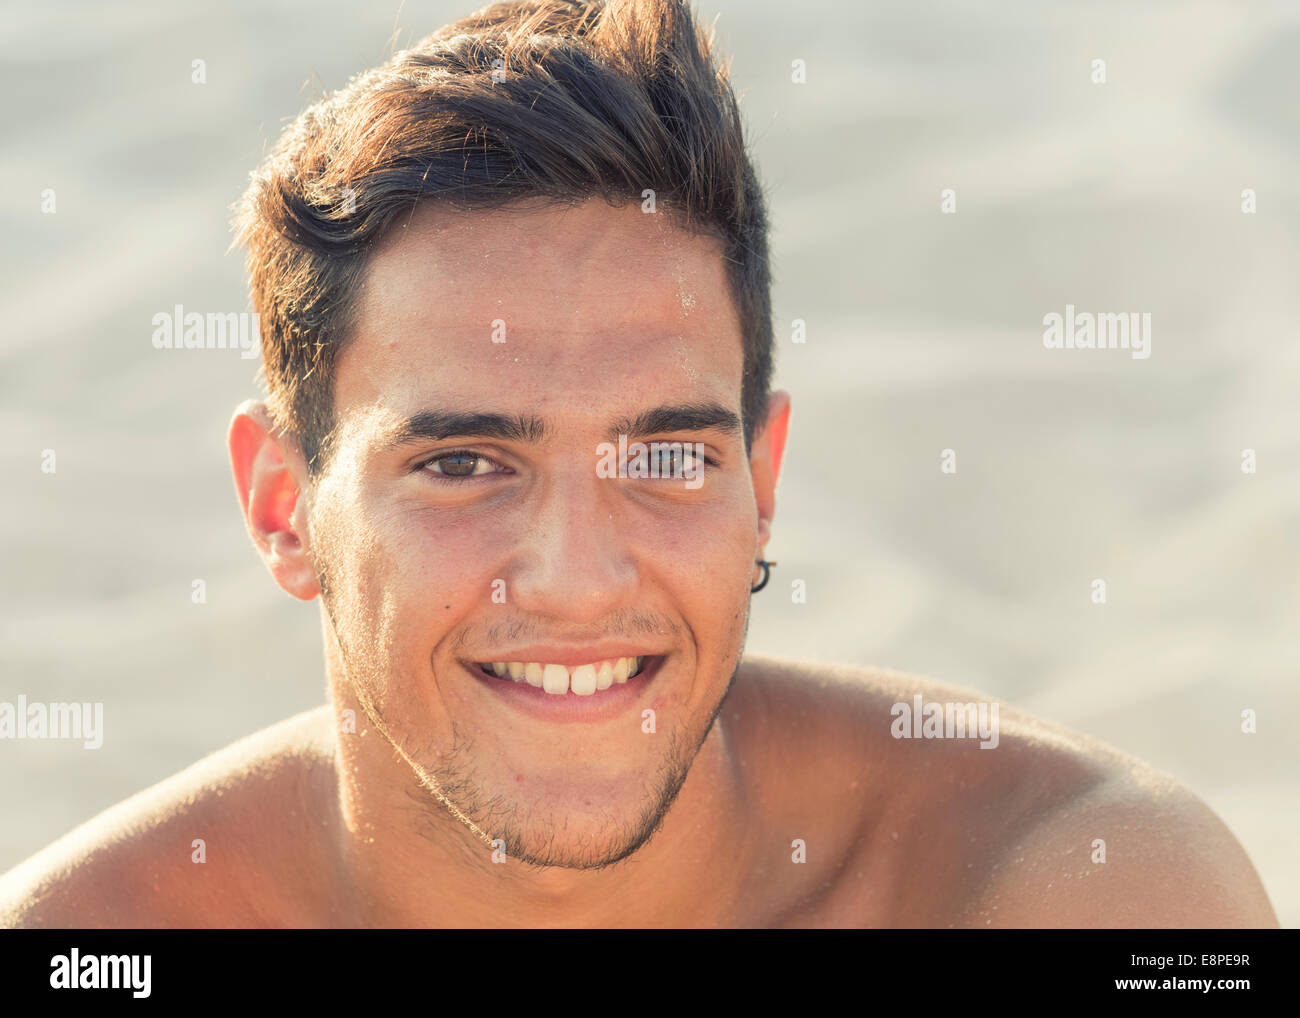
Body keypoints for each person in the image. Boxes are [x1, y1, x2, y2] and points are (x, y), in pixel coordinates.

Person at [0, 0, 1278, 928]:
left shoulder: (1074, 886)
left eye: (664, 454)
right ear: (283, 508)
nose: (570, 579)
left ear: (763, 483)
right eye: (463, 463)